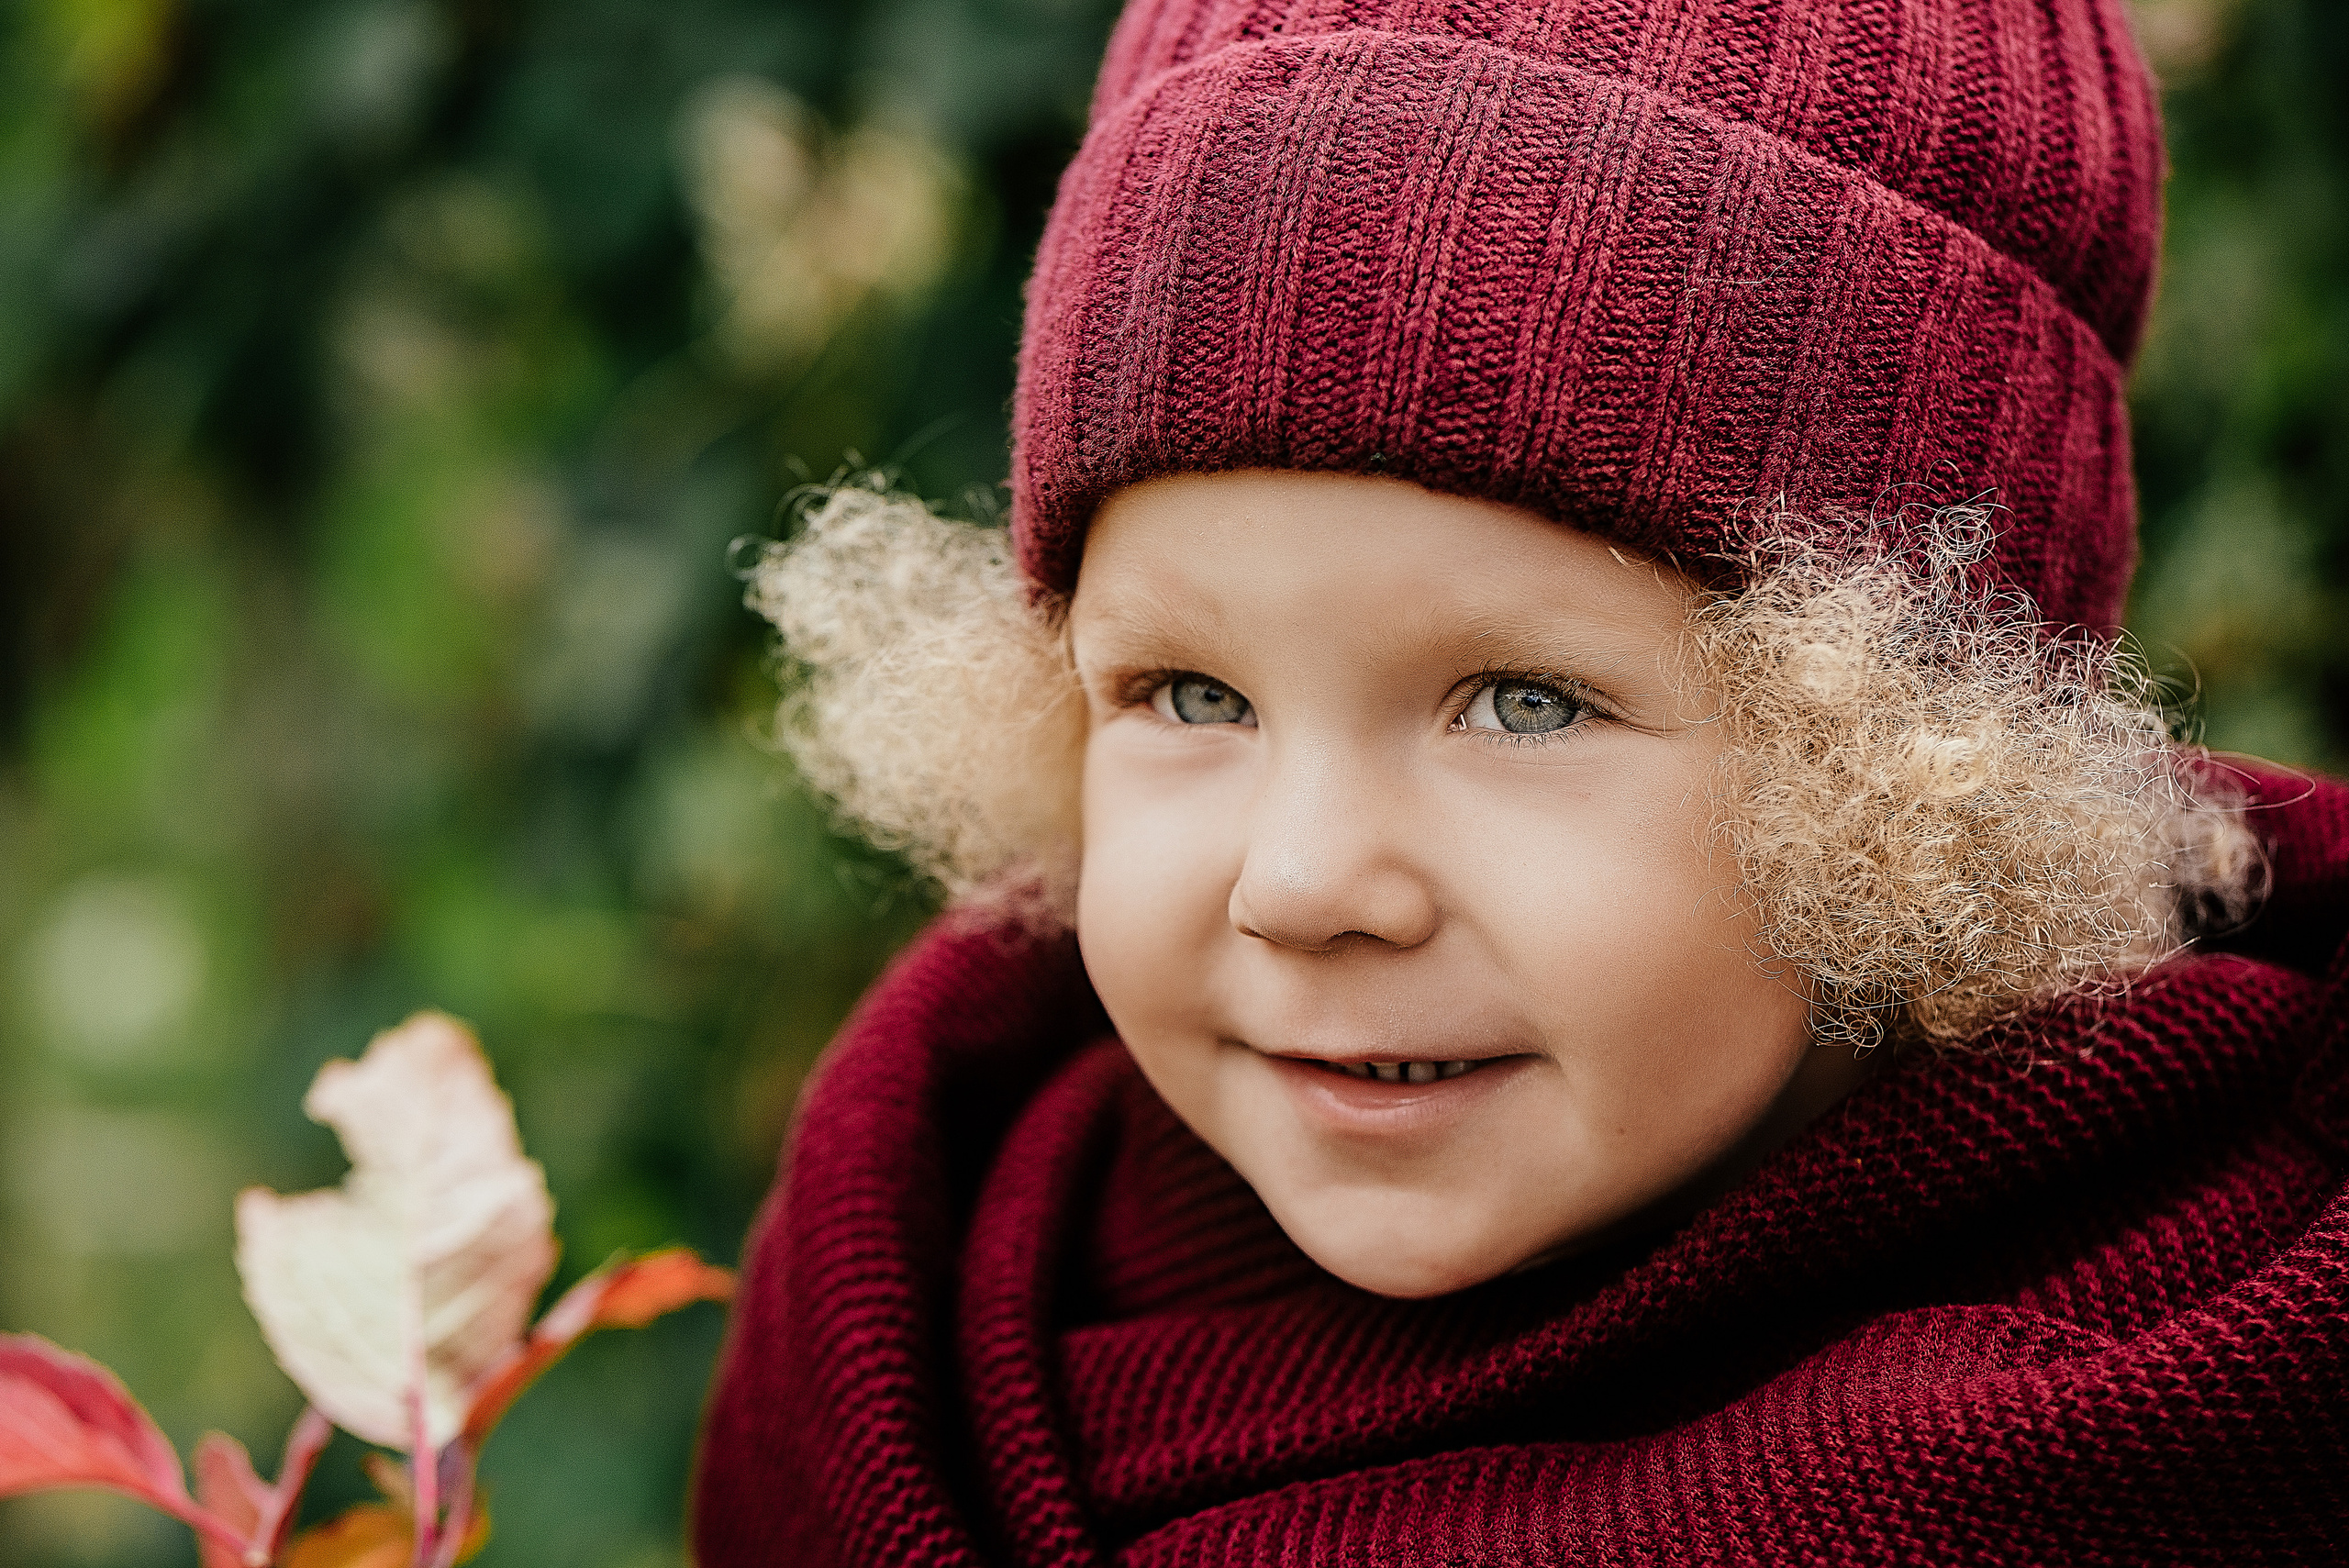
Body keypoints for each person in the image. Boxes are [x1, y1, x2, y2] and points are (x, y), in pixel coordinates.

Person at [695, 1, 2349, 1562]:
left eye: (1524, 704)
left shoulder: (2217, 1405)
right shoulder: (915, 1297)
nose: (1303, 881)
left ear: (1921, 776)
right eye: (1191, 692)